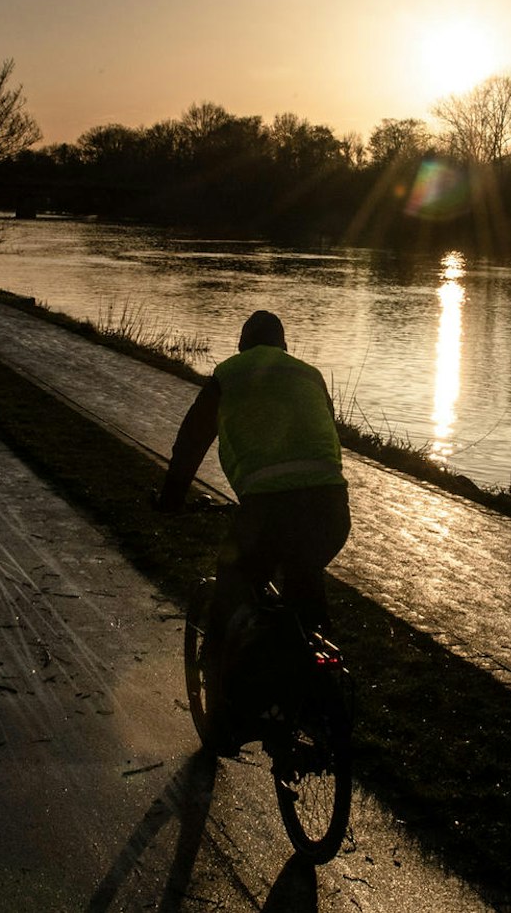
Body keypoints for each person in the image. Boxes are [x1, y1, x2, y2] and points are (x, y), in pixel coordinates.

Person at [158, 310, 350, 752]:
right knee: (303, 584)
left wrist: (170, 499)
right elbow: (324, 437)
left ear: (242, 346)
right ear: (284, 346)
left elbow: (191, 443)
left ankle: (224, 719)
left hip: (266, 512)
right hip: (331, 511)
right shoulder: (309, 375)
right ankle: (319, 693)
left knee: (230, 589)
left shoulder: (229, 376)